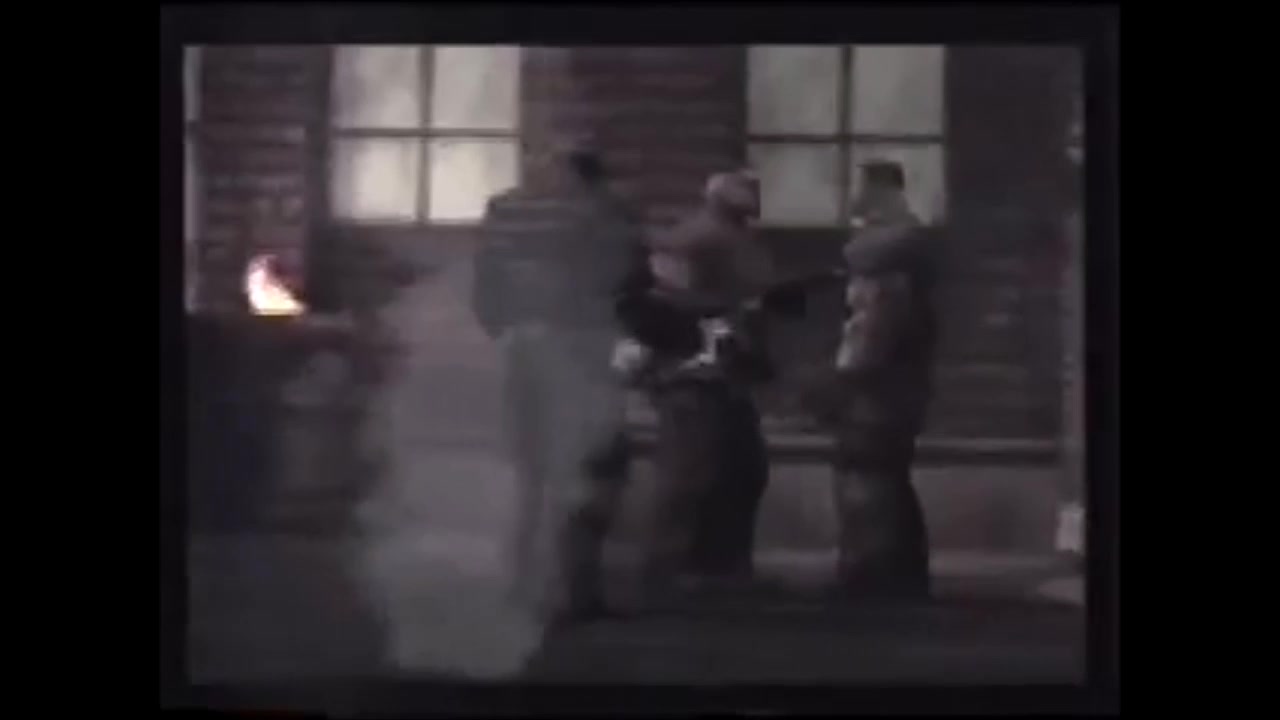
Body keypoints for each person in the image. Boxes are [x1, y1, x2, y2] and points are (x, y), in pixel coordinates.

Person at [472, 142, 643, 623]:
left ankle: (522, 584)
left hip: (519, 346)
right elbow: (630, 282)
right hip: (583, 347)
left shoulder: (505, 210)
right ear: (595, 177)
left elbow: (485, 284)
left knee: (532, 471)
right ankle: (575, 591)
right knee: (592, 467)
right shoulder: (605, 211)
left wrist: (504, 328)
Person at [616, 170, 776, 604]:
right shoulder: (690, 241)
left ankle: (718, 568)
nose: (755, 196)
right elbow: (663, 304)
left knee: (740, 472)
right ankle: (668, 572)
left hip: (726, 375)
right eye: (745, 189)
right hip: (694, 375)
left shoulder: (737, 240)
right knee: (690, 475)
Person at [822, 160, 939, 600]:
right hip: (903, 389)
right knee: (889, 475)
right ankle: (902, 573)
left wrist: (842, 378)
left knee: (866, 472)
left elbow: (868, 338)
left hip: (876, 394)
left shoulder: (882, 271)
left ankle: (870, 573)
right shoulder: (911, 256)